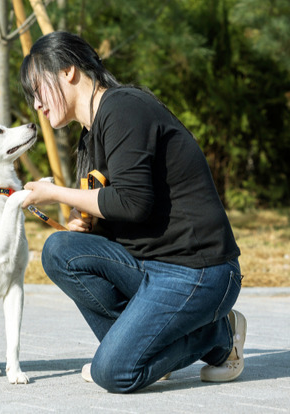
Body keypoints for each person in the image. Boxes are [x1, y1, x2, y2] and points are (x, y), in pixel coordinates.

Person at [19, 31, 246, 394]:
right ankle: (153, 349)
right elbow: (130, 215)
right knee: (60, 250)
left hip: (200, 271)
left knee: (112, 373)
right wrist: (91, 231)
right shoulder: (91, 134)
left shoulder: (123, 108)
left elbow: (133, 202)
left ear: (68, 72)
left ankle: (218, 334)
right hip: (152, 267)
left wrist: (55, 193)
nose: (37, 106)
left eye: (37, 90)